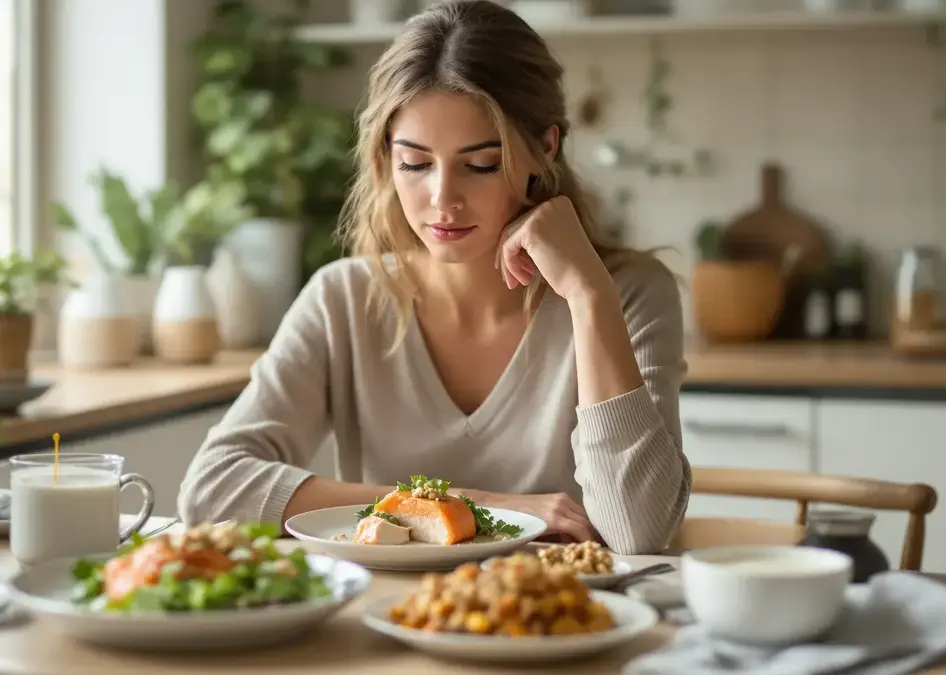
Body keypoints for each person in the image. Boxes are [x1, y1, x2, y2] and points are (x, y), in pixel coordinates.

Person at [177, 0, 690, 555]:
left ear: (546, 148)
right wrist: (475, 508)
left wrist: (590, 297)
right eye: (416, 164)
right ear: (385, 158)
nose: (443, 199)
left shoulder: (629, 293)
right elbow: (211, 489)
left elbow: (638, 534)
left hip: (557, 629)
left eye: (482, 163)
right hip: (380, 622)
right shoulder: (342, 298)